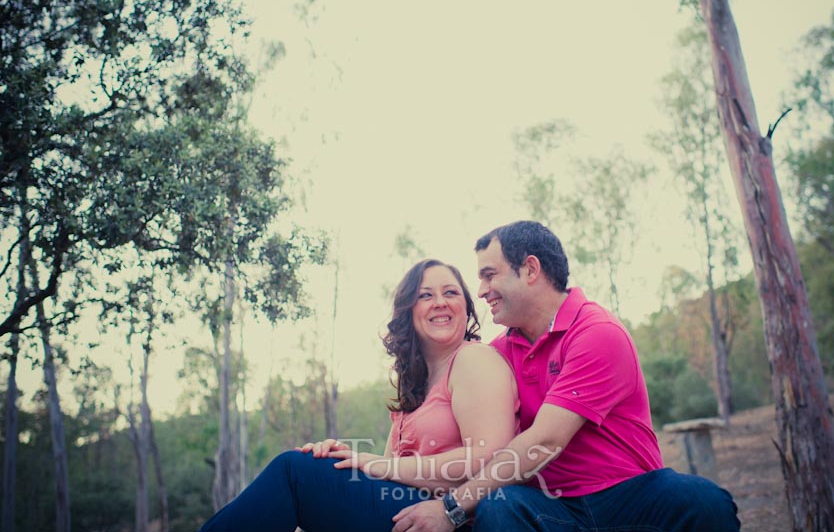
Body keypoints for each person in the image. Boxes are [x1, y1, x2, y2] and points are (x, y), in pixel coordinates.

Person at [392, 221, 741, 532]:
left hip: (624, 495)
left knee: (702, 500)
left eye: (489, 275)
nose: (481, 290)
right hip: (550, 505)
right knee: (501, 507)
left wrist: (450, 509)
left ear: (530, 270)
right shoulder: (497, 354)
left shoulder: (596, 332)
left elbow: (545, 441)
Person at [198, 258, 518, 532]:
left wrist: (374, 465)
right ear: (408, 312)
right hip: (405, 509)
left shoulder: (474, 360)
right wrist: (343, 461)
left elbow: (489, 457)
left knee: (294, 472)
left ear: (466, 306)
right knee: (309, 465)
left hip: (453, 518)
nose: (440, 302)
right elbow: (390, 472)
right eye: (425, 295)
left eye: (451, 292)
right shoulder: (414, 384)